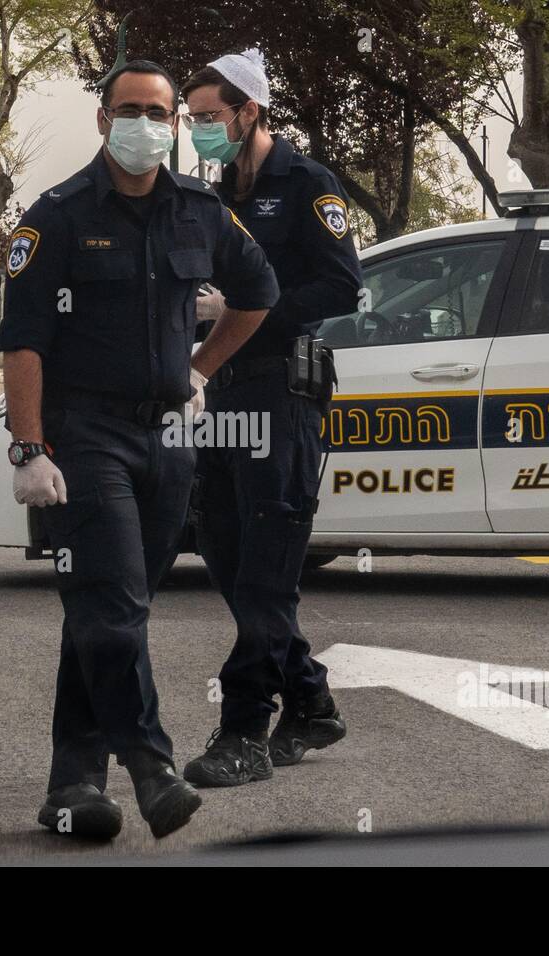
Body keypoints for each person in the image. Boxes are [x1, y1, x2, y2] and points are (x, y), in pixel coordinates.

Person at [0, 60, 280, 838]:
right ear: (102, 119)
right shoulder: (52, 217)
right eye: (131, 110)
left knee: (107, 606)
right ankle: (150, 765)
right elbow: (21, 342)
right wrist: (29, 449)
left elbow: (260, 294)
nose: (147, 124)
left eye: (161, 113)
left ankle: (73, 786)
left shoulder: (199, 210)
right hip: (83, 436)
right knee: (115, 603)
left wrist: (198, 370)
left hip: (167, 437)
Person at [179, 49, 363, 788]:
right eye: (191, 120)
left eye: (209, 118)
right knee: (225, 556)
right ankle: (312, 700)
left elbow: (342, 285)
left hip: (281, 395)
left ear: (249, 112)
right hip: (221, 392)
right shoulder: (213, 189)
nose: (198, 132)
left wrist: (247, 309)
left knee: (266, 571)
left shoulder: (307, 183)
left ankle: (243, 730)